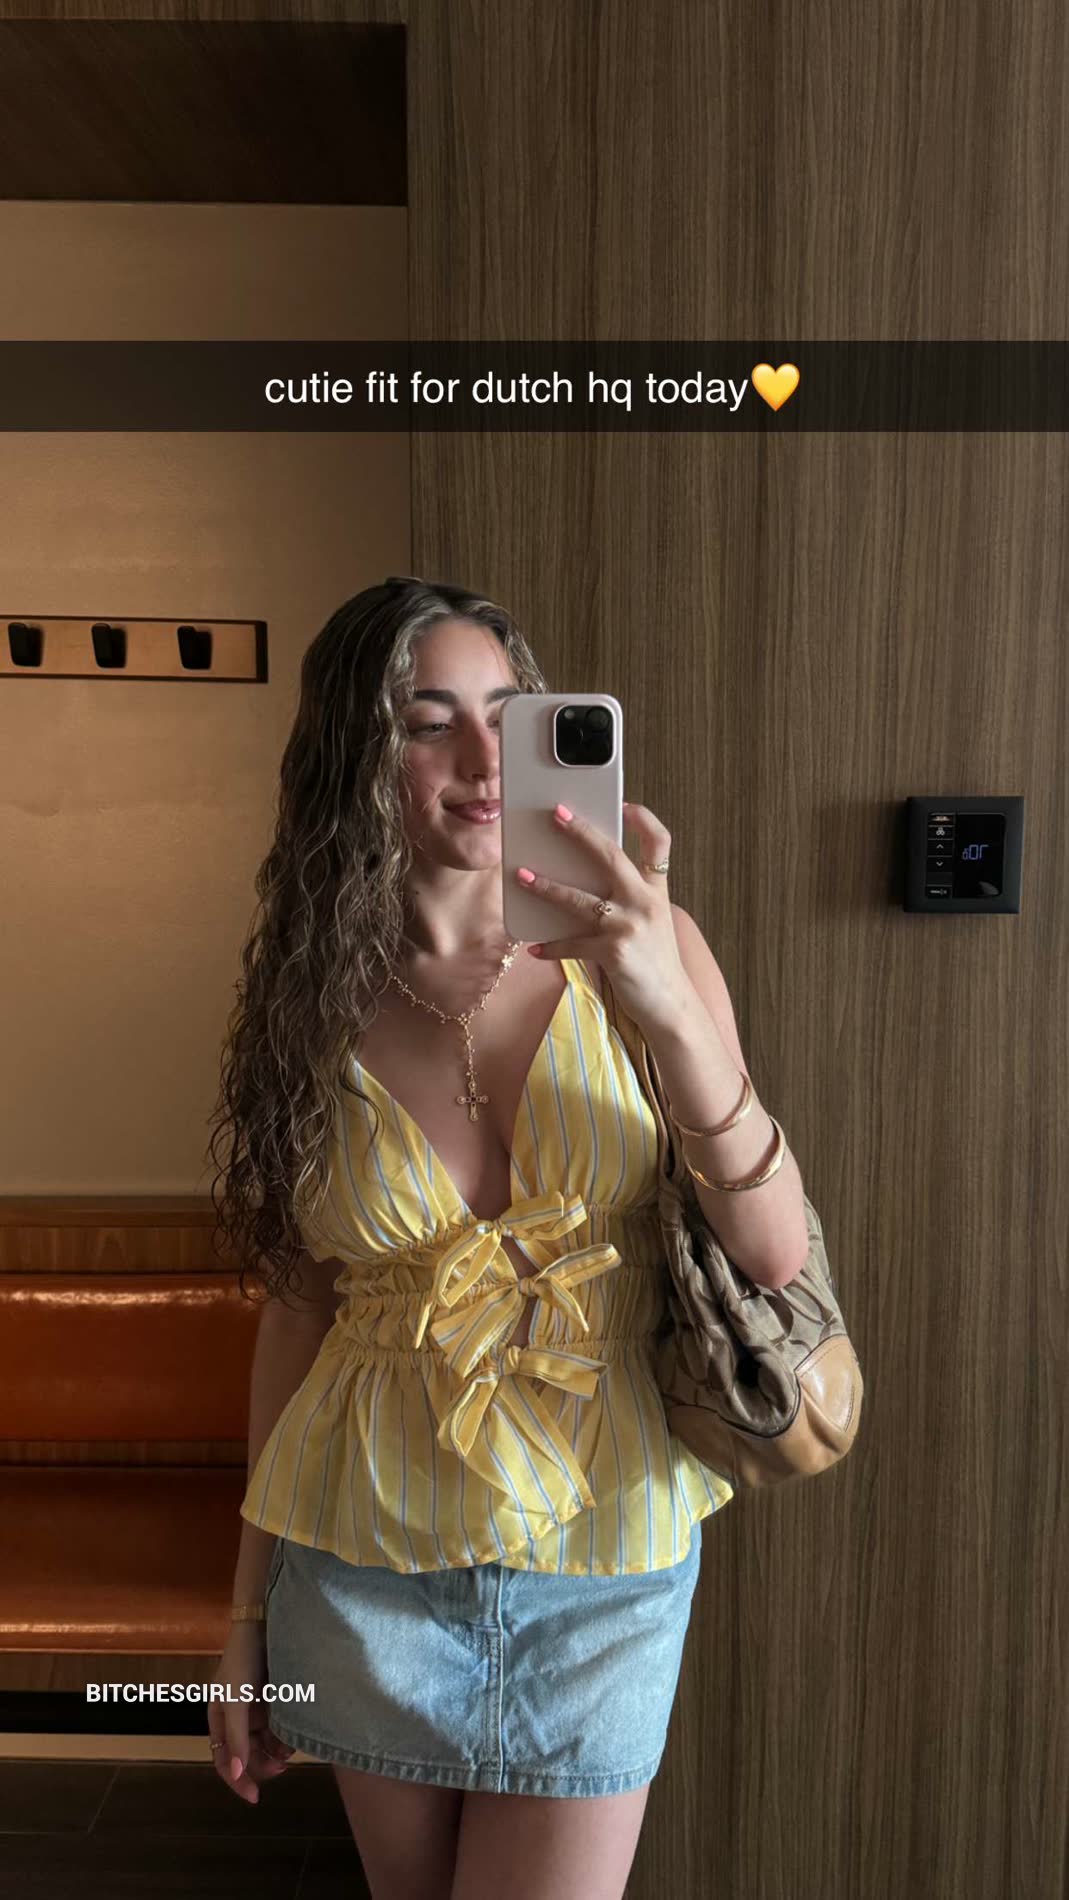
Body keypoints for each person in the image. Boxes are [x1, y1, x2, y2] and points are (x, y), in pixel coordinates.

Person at [207, 576, 809, 1900]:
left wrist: (664, 1004)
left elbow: (771, 1255)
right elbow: (300, 1311)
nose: (483, 762)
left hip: (606, 1557)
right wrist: (246, 1616)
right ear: (355, 756)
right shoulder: (308, 997)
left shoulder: (649, 949)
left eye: (509, 716)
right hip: (365, 1560)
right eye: (428, 722)